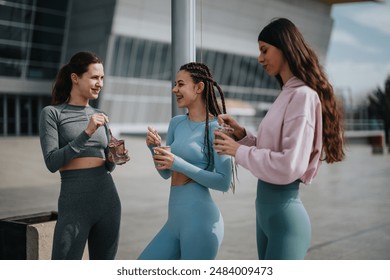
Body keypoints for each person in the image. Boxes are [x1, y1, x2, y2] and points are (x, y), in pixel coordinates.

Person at [214, 18, 345, 260]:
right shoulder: (287, 93)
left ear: (284, 47)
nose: (260, 58)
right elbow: (272, 149)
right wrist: (242, 137)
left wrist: (237, 151)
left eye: (265, 50)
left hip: (285, 219)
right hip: (266, 215)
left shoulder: (303, 96)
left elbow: (289, 165)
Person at [138, 62, 234, 260]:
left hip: (201, 223)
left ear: (199, 87)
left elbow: (224, 181)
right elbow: (166, 173)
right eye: (175, 84)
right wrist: (154, 148)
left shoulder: (218, 128)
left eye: (180, 84)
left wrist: (177, 163)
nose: (175, 89)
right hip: (174, 222)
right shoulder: (176, 122)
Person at [39, 51, 122, 260]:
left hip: (108, 200)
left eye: (102, 78)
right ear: (75, 78)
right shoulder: (52, 113)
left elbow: (107, 165)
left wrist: (113, 158)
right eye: (94, 77)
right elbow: (51, 162)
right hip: (74, 203)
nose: (100, 83)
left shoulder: (100, 114)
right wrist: (87, 133)